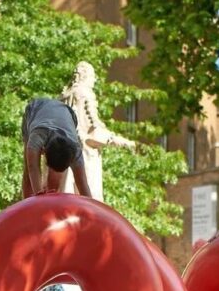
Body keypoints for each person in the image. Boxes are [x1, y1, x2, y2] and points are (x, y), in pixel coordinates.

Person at [59, 61, 136, 200]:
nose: (94, 80)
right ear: (85, 76)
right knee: (89, 204)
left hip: (62, 159)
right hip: (83, 157)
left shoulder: (64, 96)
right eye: (93, 76)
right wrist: (121, 141)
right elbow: (93, 130)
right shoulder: (85, 94)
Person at [21, 97, 93, 198]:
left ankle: (52, 198)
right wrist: (38, 194)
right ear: (44, 150)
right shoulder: (37, 136)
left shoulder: (76, 151)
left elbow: (83, 185)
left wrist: (92, 210)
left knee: (55, 178)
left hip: (66, 112)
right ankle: (27, 205)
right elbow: (32, 167)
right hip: (35, 109)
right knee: (28, 170)